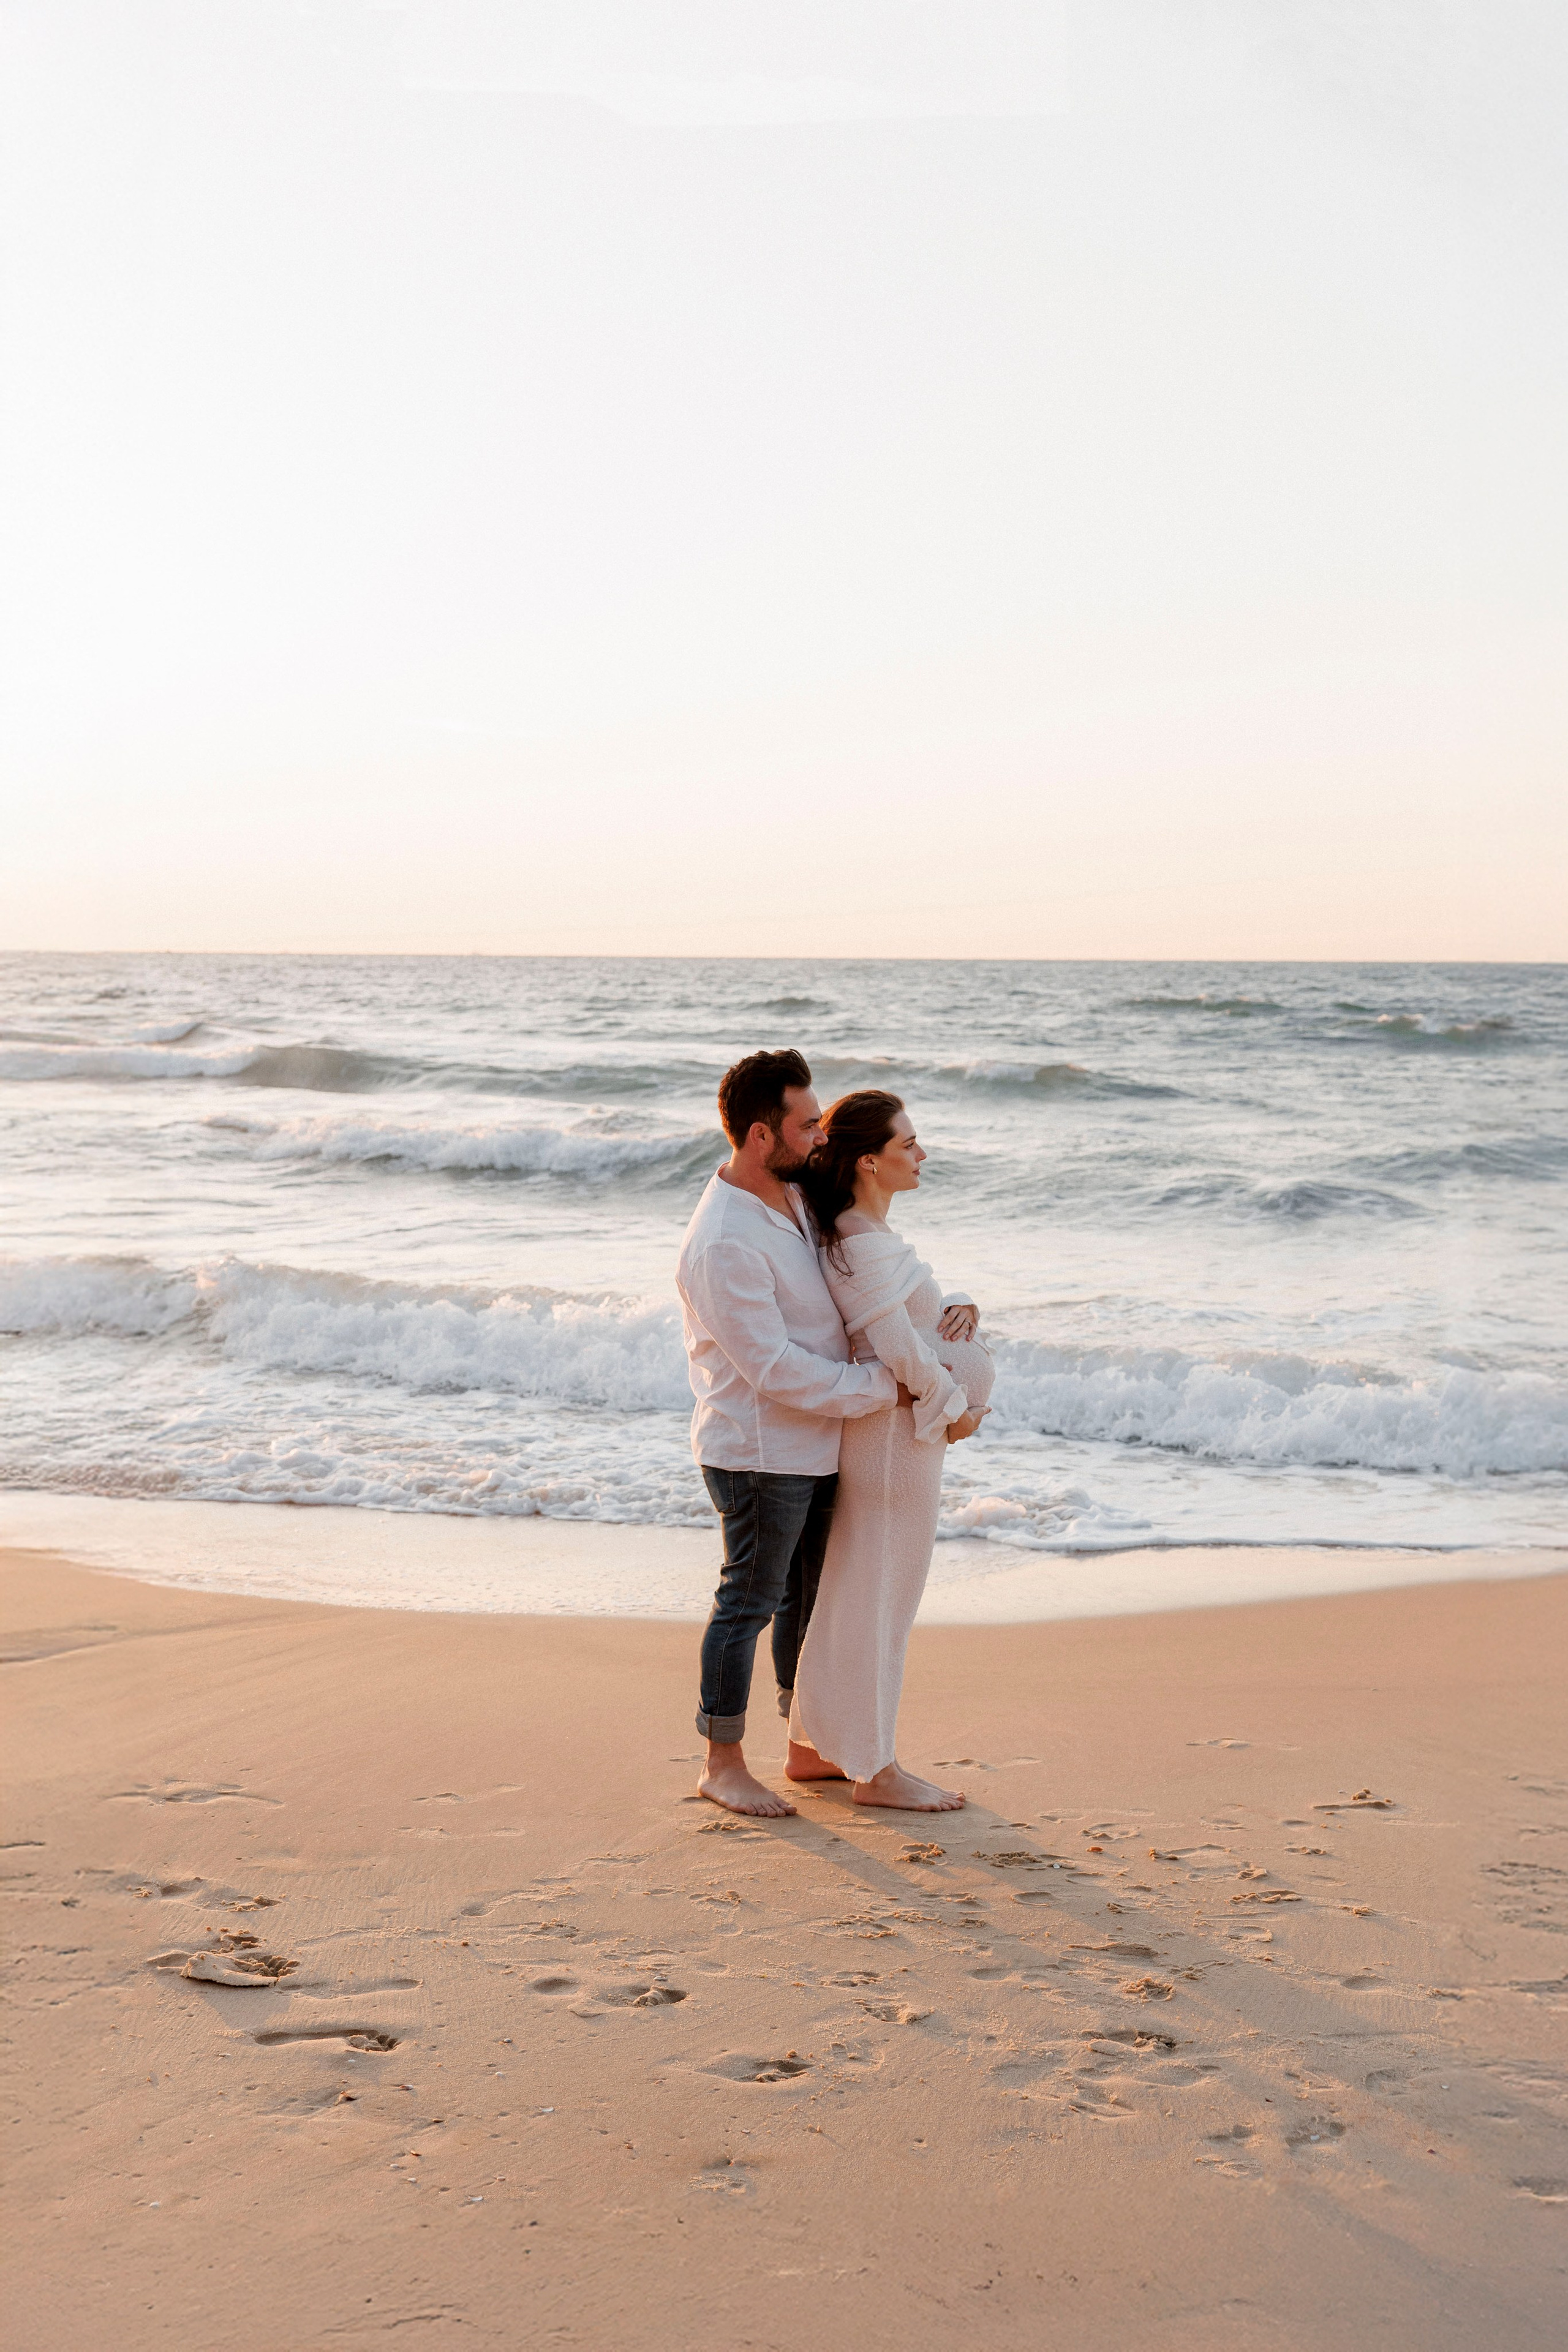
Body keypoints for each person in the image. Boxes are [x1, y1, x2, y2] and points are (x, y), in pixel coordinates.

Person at [677, 1049, 903, 1817]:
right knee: (751, 1599)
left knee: (807, 1601)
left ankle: (805, 1747)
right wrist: (880, 1386)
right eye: (806, 1124)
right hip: (759, 1450)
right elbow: (772, 1367)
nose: (819, 1136)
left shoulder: (796, 1194)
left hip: (818, 1439)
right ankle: (721, 1760)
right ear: (757, 1135)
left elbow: (871, 1256)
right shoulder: (723, 1240)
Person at [789, 1090, 992, 1811]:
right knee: (882, 1602)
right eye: (909, 1144)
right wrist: (955, 1409)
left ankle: (809, 1748)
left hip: (898, 1439)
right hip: (892, 1446)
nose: (922, 1154)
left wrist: (960, 1305)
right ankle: (876, 1774)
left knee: (856, 1595)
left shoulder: (863, 1236)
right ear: (869, 1162)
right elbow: (900, 1350)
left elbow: (912, 1319)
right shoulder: (858, 1239)